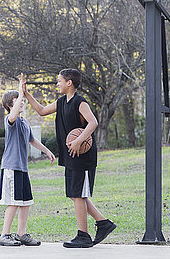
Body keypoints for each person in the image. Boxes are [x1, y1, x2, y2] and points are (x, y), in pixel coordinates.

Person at [23, 69, 116, 248]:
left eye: (59, 81)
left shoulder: (80, 102)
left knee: (78, 195)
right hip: (71, 155)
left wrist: (79, 141)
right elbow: (41, 111)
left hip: (83, 156)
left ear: (69, 82)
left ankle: (84, 236)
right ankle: (103, 223)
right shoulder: (60, 102)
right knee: (76, 195)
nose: (57, 84)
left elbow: (93, 122)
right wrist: (26, 94)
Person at [0, 75, 56, 247]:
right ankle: (4, 235)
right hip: (11, 167)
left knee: (26, 202)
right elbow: (13, 115)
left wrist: (47, 151)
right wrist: (21, 92)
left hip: (22, 168)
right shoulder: (10, 120)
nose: (21, 103)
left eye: (21, 100)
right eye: (17, 101)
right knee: (14, 203)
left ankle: (21, 234)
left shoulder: (24, 122)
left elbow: (32, 140)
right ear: (10, 105)